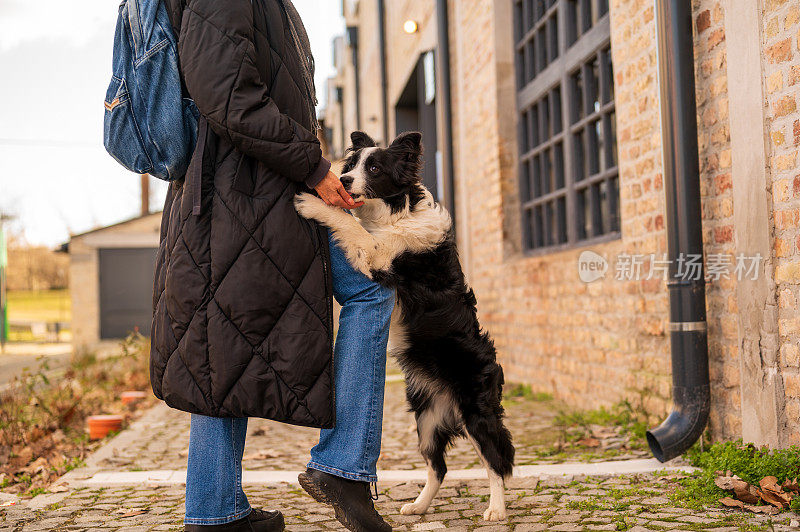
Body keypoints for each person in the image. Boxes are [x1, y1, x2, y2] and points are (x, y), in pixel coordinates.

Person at [151, 1, 395, 531]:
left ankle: (215, 510)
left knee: (223, 337)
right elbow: (227, 95)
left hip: (244, 192)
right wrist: (311, 165)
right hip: (249, 192)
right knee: (368, 292)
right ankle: (342, 466)